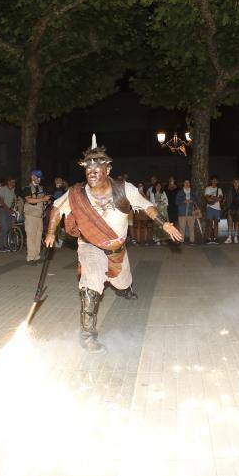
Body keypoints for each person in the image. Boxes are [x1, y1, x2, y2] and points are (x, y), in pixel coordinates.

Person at [43, 136, 182, 353]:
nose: (92, 172)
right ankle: (87, 335)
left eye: (97, 168)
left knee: (122, 281)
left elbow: (146, 206)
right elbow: (56, 210)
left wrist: (164, 224)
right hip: (91, 246)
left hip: (118, 249)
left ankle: (125, 289)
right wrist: (51, 232)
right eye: (88, 170)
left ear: (107, 169)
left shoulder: (124, 189)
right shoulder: (76, 193)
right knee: (91, 284)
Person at [21, 170, 50, 263]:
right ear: (32, 177)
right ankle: (30, 258)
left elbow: (43, 200)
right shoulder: (27, 188)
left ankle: (36, 256)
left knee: (38, 236)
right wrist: (43, 199)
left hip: (39, 216)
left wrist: (47, 201)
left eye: (40, 177)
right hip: (30, 216)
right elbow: (29, 200)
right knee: (31, 236)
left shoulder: (41, 188)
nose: (39, 179)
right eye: (38, 177)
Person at [0, 177, 16, 252]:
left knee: (9, 227)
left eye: (14, 182)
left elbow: (14, 200)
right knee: (4, 227)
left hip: (9, 210)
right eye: (12, 181)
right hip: (2, 209)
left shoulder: (13, 190)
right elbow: (1, 202)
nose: (14, 183)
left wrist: (12, 207)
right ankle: (1, 246)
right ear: (8, 182)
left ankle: (6, 245)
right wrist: (9, 209)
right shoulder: (3, 189)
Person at [175, 179, 197, 244]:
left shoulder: (193, 192)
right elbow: (176, 202)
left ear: (190, 184)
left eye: (188, 183)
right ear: (183, 184)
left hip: (191, 212)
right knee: (182, 227)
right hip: (182, 212)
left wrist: (191, 200)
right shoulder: (180, 192)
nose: (187, 184)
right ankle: (181, 240)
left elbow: (196, 200)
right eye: (185, 183)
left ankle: (192, 240)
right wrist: (183, 201)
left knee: (191, 227)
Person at [204, 176, 223, 244]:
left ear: (217, 182)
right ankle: (208, 238)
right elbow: (207, 198)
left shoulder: (219, 189)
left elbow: (220, 199)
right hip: (210, 208)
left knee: (216, 224)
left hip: (217, 208)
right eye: (213, 180)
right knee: (209, 223)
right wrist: (216, 198)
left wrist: (211, 197)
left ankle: (215, 238)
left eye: (216, 180)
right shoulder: (208, 188)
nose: (214, 181)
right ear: (211, 181)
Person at [225, 178, 239, 243]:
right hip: (231, 208)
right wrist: (229, 209)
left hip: (238, 209)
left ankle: (236, 237)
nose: (236, 184)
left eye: (237, 182)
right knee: (230, 222)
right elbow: (228, 200)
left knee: (236, 223)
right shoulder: (230, 190)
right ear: (233, 183)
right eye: (235, 182)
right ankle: (229, 237)